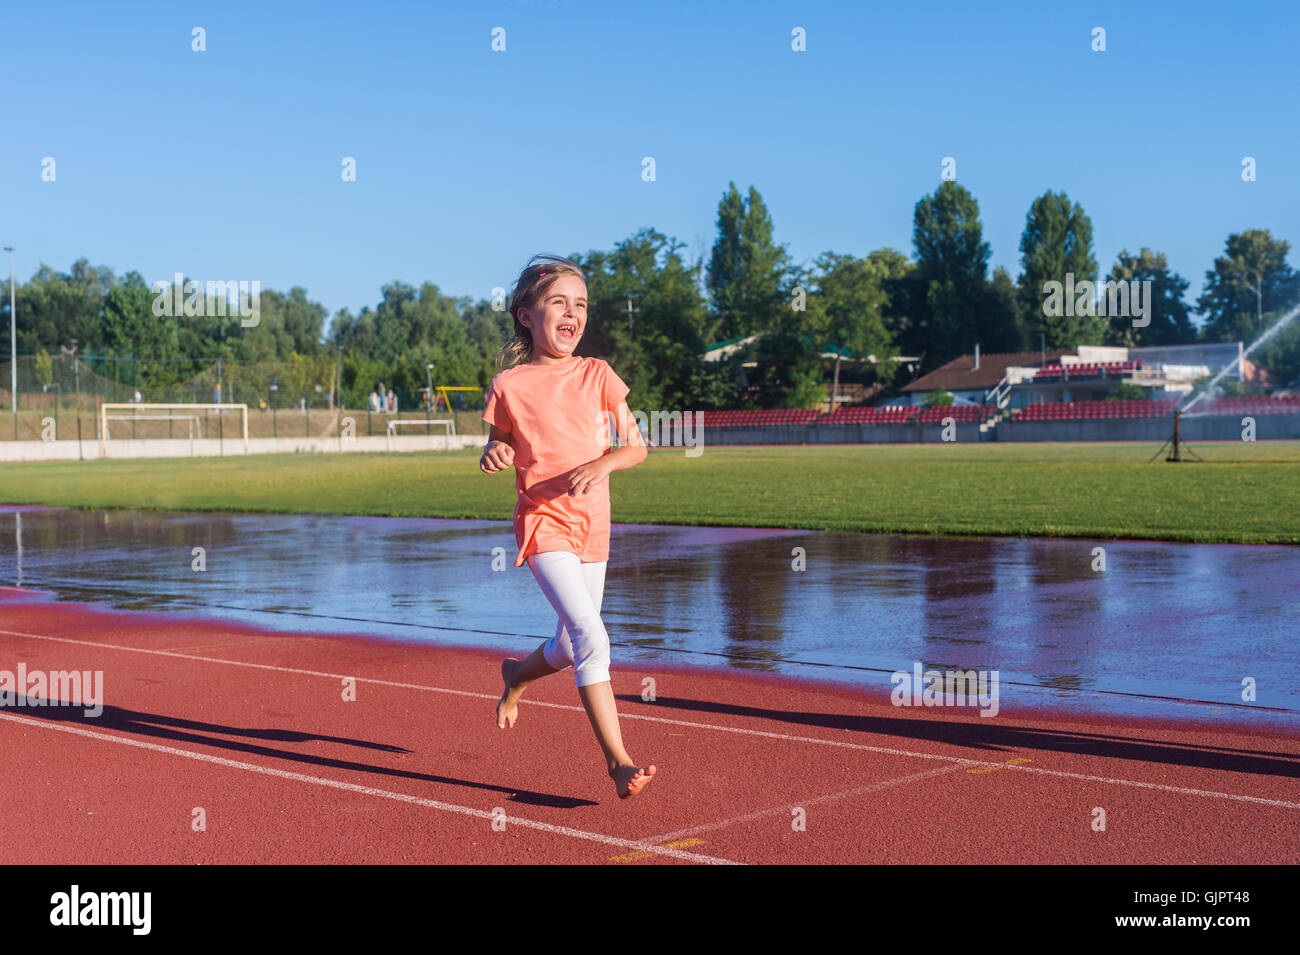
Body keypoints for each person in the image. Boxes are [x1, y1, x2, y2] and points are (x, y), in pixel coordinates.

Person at [481, 254, 654, 800]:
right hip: (543, 522)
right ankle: (618, 763)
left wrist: (603, 463)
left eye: (580, 304)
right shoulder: (508, 384)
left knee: (565, 646)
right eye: (559, 302)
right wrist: (496, 450)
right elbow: (498, 439)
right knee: (590, 635)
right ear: (527, 314)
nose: (572, 313)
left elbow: (635, 446)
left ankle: (516, 675)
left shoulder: (598, 373)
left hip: (592, 526)